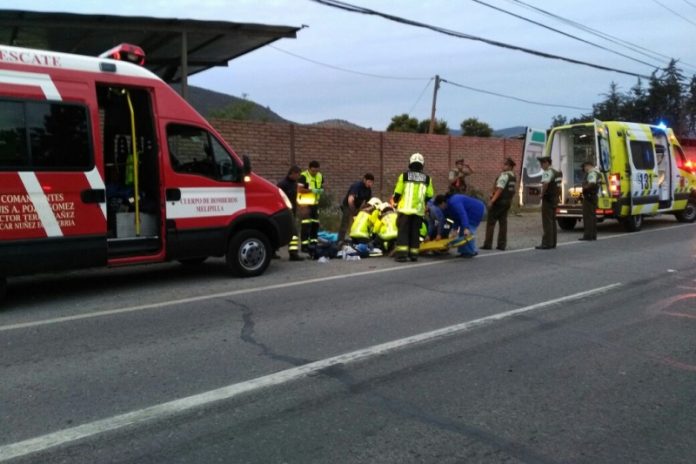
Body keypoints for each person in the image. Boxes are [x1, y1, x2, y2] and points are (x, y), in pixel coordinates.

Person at [392, 152, 434, 262]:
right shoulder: (427, 179)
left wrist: (396, 201)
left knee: (403, 232)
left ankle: (402, 255)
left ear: (410, 163)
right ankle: (414, 255)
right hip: (418, 212)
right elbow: (430, 195)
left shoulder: (404, 176)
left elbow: (397, 193)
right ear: (422, 164)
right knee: (415, 233)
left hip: (405, 210)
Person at [482, 157, 517, 251]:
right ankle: (502, 245)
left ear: (510, 166)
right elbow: (512, 191)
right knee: (503, 223)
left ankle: (487, 244)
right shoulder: (513, 176)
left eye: (505, 164)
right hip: (507, 202)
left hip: (499, 202)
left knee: (491, 223)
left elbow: (500, 189)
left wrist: (492, 201)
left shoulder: (504, 176)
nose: (503, 166)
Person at [277, 165, 304, 261]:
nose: (298, 176)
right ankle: (293, 254)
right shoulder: (282, 184)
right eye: (297, 174)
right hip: (284, 212)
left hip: (292, 212)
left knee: (288, 232)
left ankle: (274, 252)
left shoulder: (295, 184)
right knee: (294, 232)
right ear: (292, 173)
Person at [338, 173, 374, 244]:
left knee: (357, 224)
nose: (370, 184)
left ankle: (355, 240)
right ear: (364, 180)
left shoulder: (368, 189)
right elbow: (350, 199)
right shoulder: (357, 186)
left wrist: (367, 209)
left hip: (357, 207)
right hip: (348, 206)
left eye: (372, 183)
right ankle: (340, 240)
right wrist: (354, 211)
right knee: (345, 223)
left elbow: (368, 201)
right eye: (369, 182)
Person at [297, 160, 324, 255]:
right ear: (309, 168)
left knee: (315, 224)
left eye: (316, 171)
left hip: (315, 203)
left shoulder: (320, 175)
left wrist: (320, 190)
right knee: (306, 224)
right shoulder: (303, 176)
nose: (315, 173)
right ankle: (304, 246)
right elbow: (299, 189)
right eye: (313, 171)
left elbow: (321, 186)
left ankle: (313, 243)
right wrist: (312, 190)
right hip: (305, 204)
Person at [536, 156, 562, 250]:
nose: (541, 165)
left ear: (547, 163)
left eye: (542, 163)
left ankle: (547, 243)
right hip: (555, 198)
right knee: (552, 221)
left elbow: (545, 184)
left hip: (548, 199)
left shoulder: (547, 172)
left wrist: (541, 195)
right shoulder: (557, 172)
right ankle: (553, 242)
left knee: (547, 221)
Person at [580, 160, 600, 241]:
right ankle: (593, 235)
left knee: (588, 216)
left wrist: (585, 187)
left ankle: (588, 235)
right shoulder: (596, 172)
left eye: (584, 167)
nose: (584, 169)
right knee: (592, 216)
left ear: (588, 165)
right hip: (593, 196)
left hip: (589, 197)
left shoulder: (592, 173)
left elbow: (591, 183)